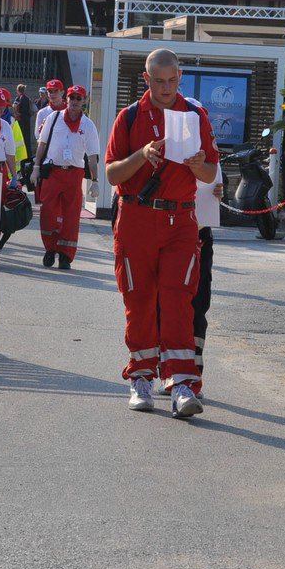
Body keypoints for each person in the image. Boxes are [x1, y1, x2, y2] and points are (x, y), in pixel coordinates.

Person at [104, 49, 219, 419]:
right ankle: (140, 378)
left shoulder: (195, 114)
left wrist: (201, 166)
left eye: (172, 80)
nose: (166, 87)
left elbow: (210, 175)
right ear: (147, 79)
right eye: (159, 81)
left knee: (178, 302)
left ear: (180, 75)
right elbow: (111, 175)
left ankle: (182, 384)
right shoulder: (130, 116)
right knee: (138, 302)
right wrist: (142, 154)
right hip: (136, 219)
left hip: (181, 223)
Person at [33, 85, 100, 271]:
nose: (75, 102)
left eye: (79, 98)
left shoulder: (88, 125)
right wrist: (36, 167)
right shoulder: (53, 118)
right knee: (48, 212)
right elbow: (42, 143)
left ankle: (65, 255)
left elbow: (93, 155)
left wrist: (95, 181)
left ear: (84, 101)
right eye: (72, 97)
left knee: (71, 217)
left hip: (74, 173)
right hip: (53, 171)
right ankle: (50, 249)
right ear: (67, 99)